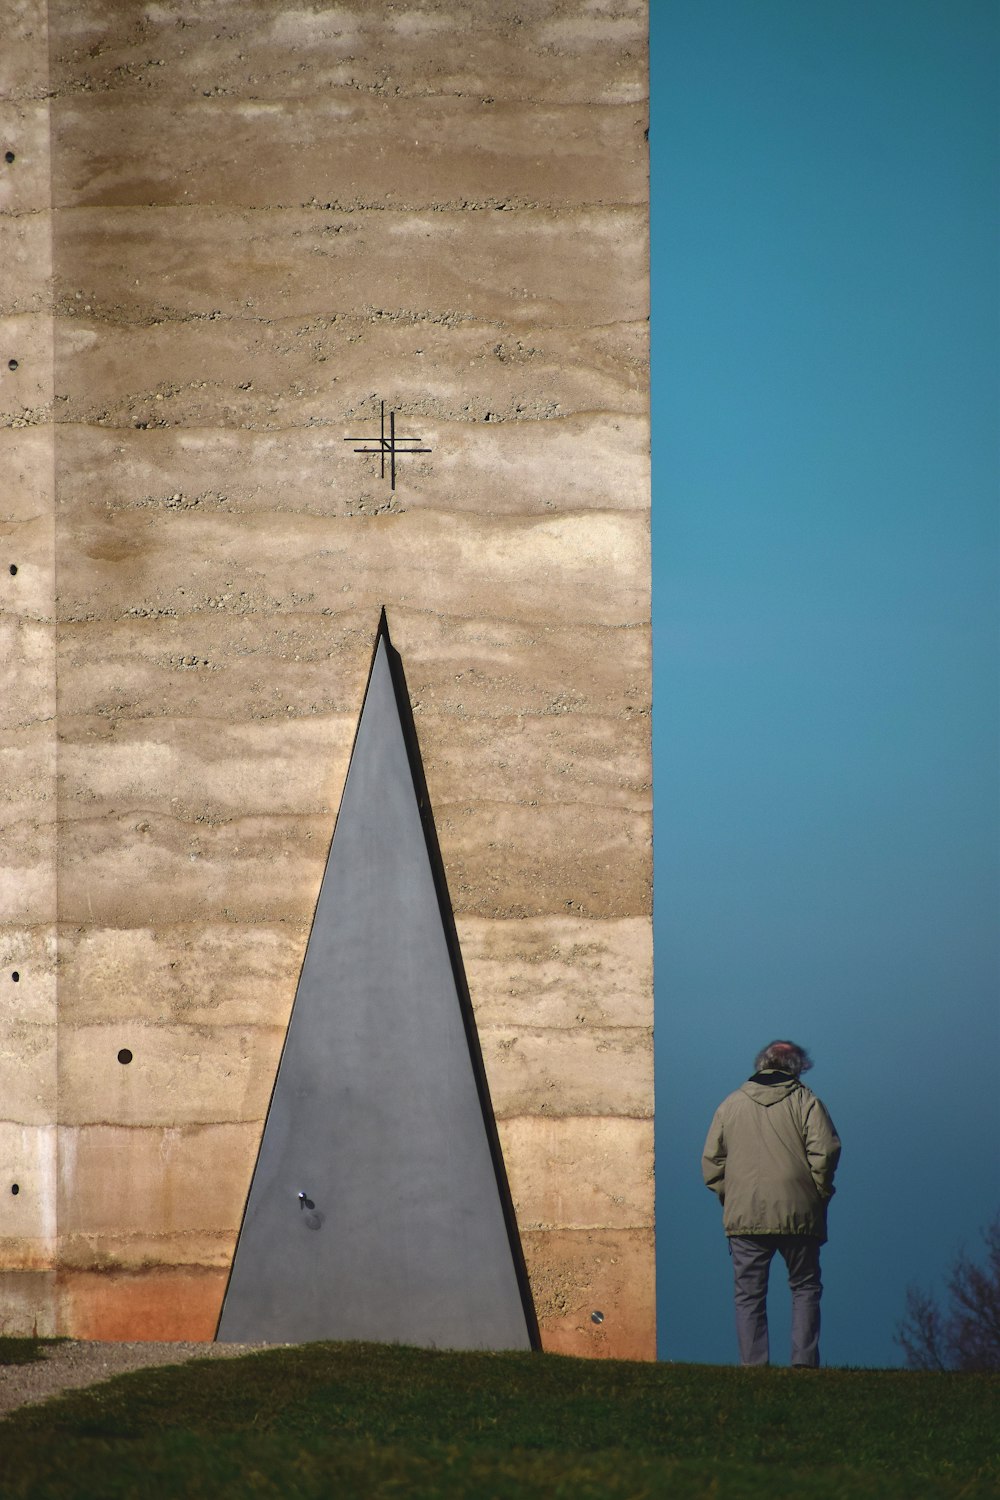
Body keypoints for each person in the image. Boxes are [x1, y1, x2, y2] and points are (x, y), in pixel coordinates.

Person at [702, 1040, 841, 1368]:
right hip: (799, 1211)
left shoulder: (730, 1104)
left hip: (745, 1212)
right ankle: (804, 1363)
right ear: (798, 1067)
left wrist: (731, 1195)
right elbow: (826, 1152)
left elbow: (711, 1162)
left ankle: (754, 1366)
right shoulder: (808, 1101)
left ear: (761, 1063)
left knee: (748, 1294)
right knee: (805, 1286)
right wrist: (819, 1192)